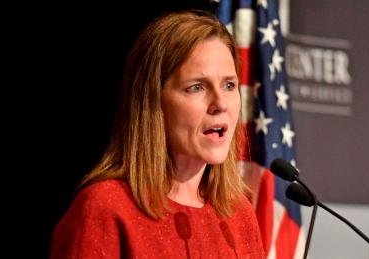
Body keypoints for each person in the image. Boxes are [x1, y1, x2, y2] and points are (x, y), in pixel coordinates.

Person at [50, 9, 264, 259]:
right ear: (153, 102)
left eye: (229, 85)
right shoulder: (105, 208)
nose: (221, 103)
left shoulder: (239, 215)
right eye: (197, 87)